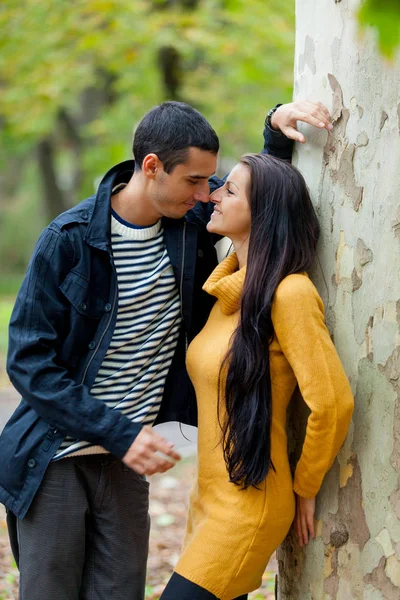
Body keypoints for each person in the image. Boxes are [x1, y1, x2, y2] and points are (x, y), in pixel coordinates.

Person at [0, 99, 332, 600]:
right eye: (194, 181)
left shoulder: (185, 229)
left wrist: (275, 130)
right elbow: (28, 362)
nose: (206, 195)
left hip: (129, 462)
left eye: (210, 181)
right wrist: (118, 431)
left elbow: (260, 205)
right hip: (56, 456)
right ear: (152, 167)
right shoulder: (66, 241)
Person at [160, 153, 354, 600]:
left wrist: (306, 487)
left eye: (229, 190)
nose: (213, 195)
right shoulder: (229, 292)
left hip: (249, 505)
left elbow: (332, 402)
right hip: (207, 498)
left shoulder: (290, 293)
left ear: (262, 213)